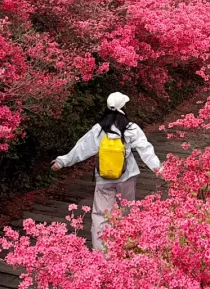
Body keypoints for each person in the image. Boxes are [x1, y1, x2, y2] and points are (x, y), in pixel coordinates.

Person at [53, 91, 163, 253]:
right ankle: (125, 249)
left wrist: (62, 161)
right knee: (126, 212)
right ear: (123, 107)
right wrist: (159, 170)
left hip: (104, 178)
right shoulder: (131, 128)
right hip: (127, 176)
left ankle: (101, 252)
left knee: (101, 215)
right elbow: (146, 150)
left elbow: (82, 148)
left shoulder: (99, 129)